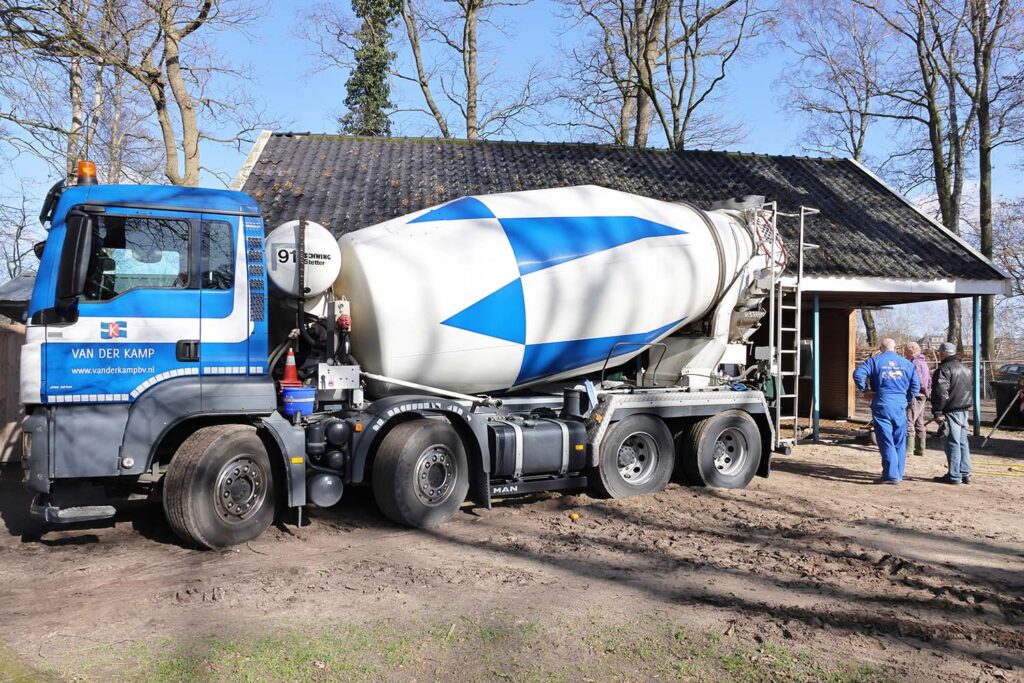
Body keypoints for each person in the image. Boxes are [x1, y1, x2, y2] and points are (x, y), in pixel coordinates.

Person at [853, 338, 920, 484]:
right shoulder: (907, 363)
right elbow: (916, 385)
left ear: (881, 348)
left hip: (882, 403)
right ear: (895, 348)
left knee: (885, 440)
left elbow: (858, 374)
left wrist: (865, 390)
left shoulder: (874, 361)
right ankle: (898, 473)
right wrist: (907, 398)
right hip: (900, 405)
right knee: (899, 440)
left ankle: (891, 475)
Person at [931, 342, 973, 485]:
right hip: (964, 409)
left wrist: (937, 411)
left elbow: (941, 392)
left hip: (950, 410)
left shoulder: (943, 370)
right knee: (962, 442)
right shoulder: (966, 369)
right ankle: (965, 472)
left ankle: (954, 475)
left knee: (952, 442)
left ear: (942, 354)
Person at [904, 342, 932, 457]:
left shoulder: (914, 363)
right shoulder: (924, 363)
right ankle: (920, 448)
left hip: (916, 395)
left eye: (905, 351)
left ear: (911, 351)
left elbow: (918, 380)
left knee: (909, 420)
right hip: (923, 396)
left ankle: (908, 449)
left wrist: (917, 391)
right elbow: (929, 379)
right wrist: (928, 392)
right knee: (919, 421)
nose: (904, 354)